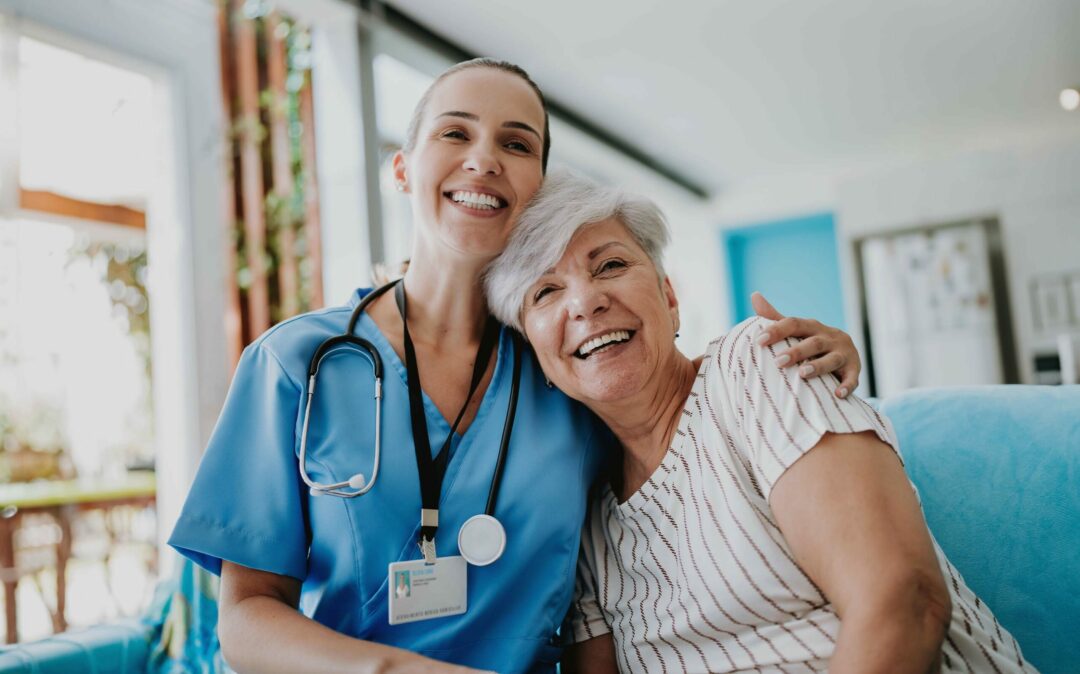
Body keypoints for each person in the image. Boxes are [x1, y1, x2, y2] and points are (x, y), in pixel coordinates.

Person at [169, 59, 864, 674]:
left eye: (515, 143)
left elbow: (679, 410)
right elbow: (246, 620)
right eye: (454, 133)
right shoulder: (297, 364)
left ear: (536, 186)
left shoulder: (564, 366)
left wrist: (789, 359)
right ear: (403, 168)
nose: (483, 158)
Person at [485, 170, 1037, 674]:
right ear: (534, 353)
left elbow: (903, 604)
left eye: (610, 265)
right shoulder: (583, 514)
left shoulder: (755, 366)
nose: (585, 302)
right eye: (546, 291)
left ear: (669, 297)